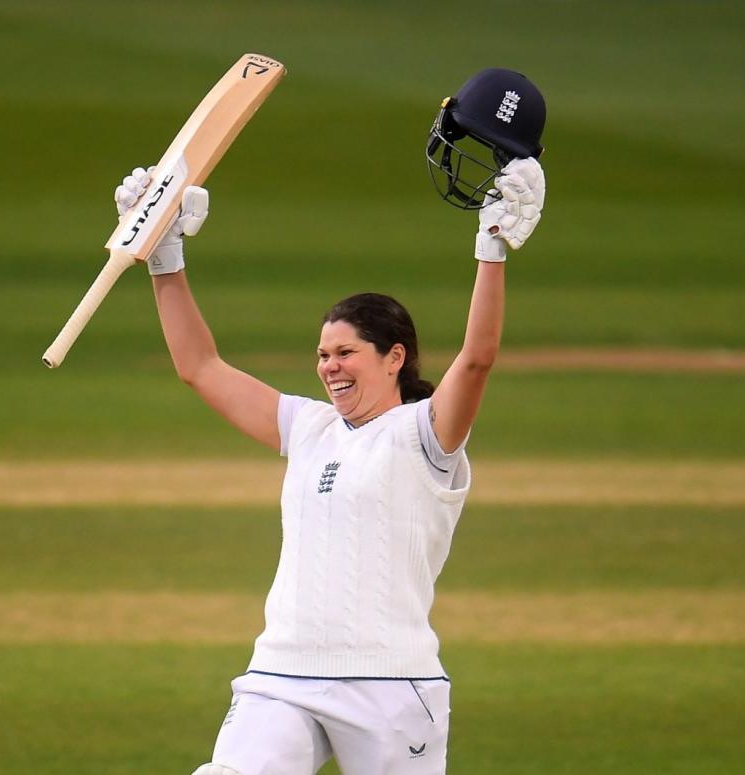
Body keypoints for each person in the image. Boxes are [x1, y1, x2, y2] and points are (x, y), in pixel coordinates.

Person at [117, 68, 546, 775]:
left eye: (345, 352)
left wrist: (490, 248)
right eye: (321, 354)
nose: (329, 367)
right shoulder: (307, 428)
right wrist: (164, 256)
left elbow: (476, 360)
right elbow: (200, 367)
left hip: (389, 685)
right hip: (281, 672)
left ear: (393, 356)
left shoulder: (424, 437)